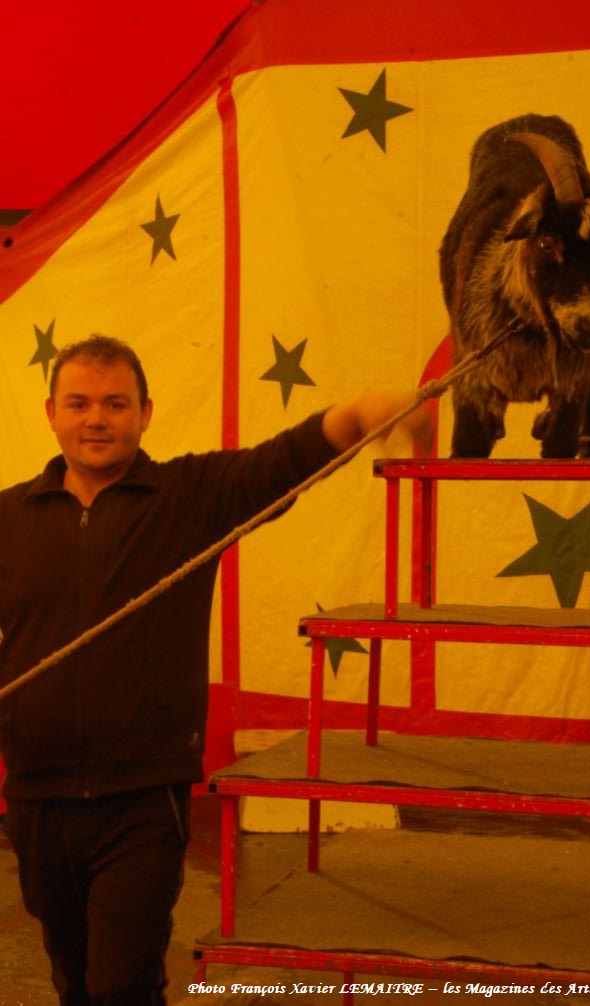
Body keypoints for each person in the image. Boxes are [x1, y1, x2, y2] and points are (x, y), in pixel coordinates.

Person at [0, 334, 431, 1006]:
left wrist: (358, 414)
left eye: (115, 403)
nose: (96, 419)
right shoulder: (8, 517)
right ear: (51, 413)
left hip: (144, 799)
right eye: (79, 404)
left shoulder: (188, 496)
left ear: (145, 413)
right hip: (36, 796)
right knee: (74, 976)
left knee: (121, 985)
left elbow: (279, 464)